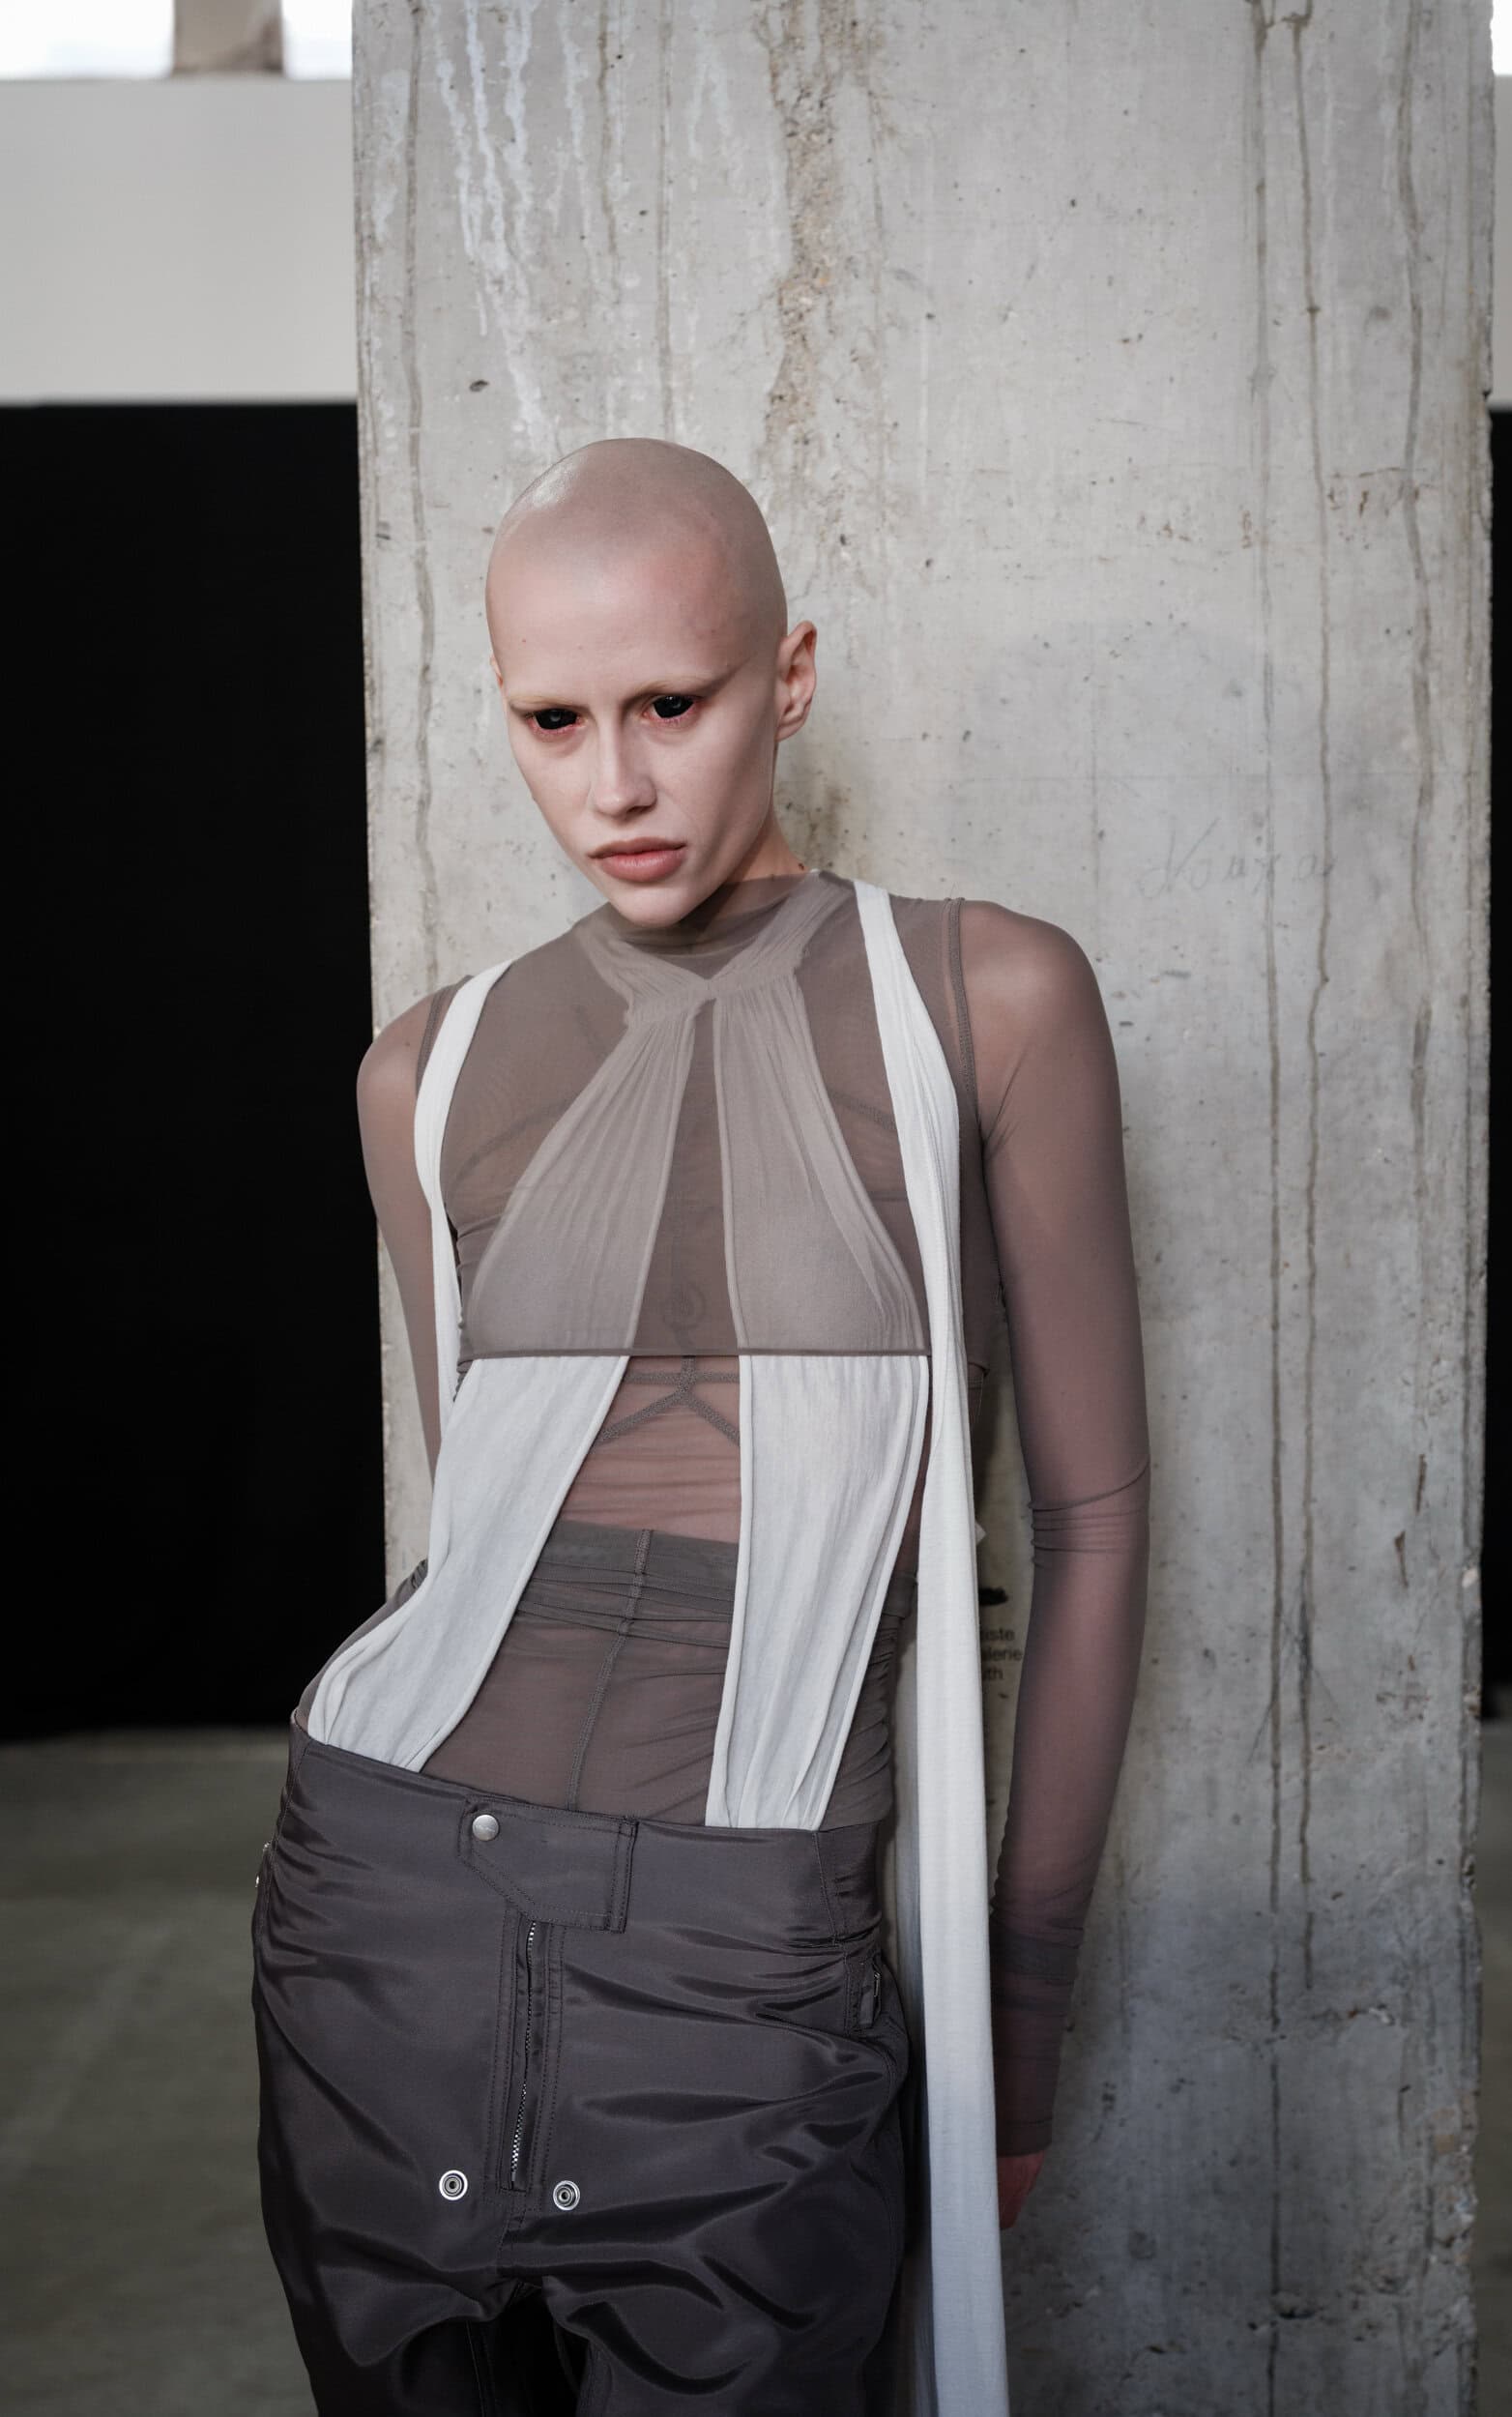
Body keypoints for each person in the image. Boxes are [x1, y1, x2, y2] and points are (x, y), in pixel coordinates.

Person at [250, 437, 1150, 2417]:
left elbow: (1088, 1526)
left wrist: (1018, 2014)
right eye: (550, 719)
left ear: (789, 673)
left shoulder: (986, 996)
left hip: (744, 1952)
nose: (614, 783)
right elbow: (477, 1523)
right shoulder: (423, 1071)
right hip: (373, 1914)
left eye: (671, 701)